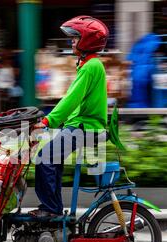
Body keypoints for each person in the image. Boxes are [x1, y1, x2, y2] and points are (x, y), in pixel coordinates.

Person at [29, 16, 109, 218]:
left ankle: (51, 209)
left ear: (87, 41)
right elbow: (76, 102)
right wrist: (55, 123)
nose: (71, 42)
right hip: (81, 125)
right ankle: (53, 207)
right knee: (51, 159)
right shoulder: (89, 65)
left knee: (44, 158)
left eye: (75, 38)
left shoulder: (91, 66)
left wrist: (48, 121)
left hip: (86, 127)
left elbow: (71, 99)